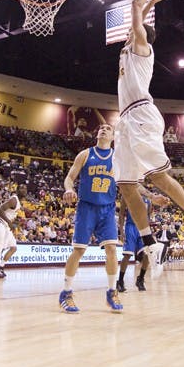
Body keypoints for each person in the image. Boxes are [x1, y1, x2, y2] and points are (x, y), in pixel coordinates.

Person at [113, 0, 184, 262]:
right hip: (126, 122)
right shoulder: (130, 48)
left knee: (157, 176)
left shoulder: (142, 48)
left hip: (142, 114)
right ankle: (149, 241)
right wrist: (152, 0)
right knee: (127, 185)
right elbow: (137, 15)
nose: (129, 31)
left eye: (134, 30)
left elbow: (133, 8)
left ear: (140, 33)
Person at [59, 123, 123, 313]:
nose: (103, 129)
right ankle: (66, 292)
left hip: (108, 208)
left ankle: (112, 291)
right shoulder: (85, 154)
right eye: (101, 127)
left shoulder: (117, 159)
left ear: (113, 137)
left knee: (111, 249)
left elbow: (130, 184)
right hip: (86, 207)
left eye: (108, 128)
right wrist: (69, 189)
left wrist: (151, 197)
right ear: (97, 133)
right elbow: (70, 177)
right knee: (78, 251)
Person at [116, 187, 167, 292]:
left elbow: (147, 216)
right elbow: (121, 214)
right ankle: (120, 281)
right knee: (127, 254)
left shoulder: (148, 200)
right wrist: (121, 231)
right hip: (130, 227)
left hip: (143, 228)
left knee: (147, 254)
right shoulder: (126, 194)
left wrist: (148, 233)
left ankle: (141, 279)